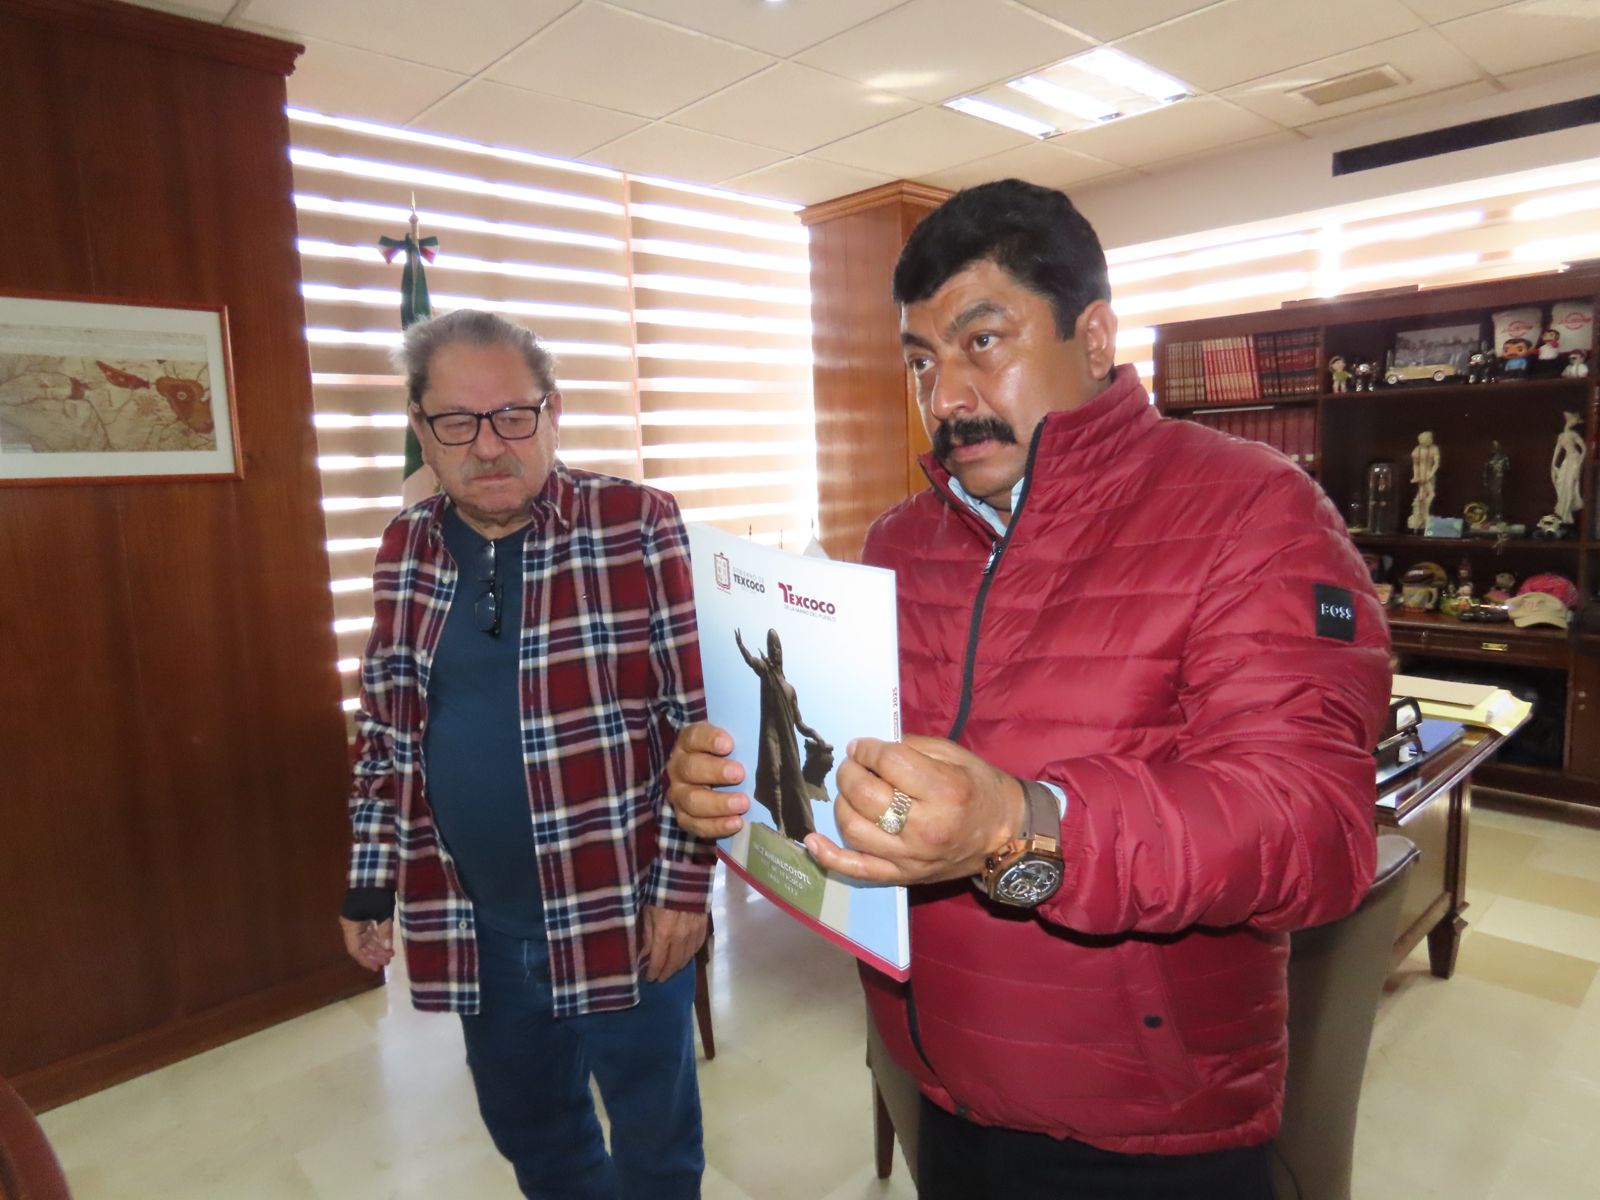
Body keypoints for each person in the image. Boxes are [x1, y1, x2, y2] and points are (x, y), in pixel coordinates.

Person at [667, 179, 1391, 1198]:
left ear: (1092, 338)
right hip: (942, 1078)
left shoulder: (1255, 510)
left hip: (1146, 1126)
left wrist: (1023, 825)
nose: (946, 399)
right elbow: (875, 776)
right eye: (922, 361)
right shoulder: (900, 542)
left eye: (982, 342)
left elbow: (1314, 828)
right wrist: (746, 774)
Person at [338, 309, 712, 1200]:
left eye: (512, 414)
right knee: (535, 1136)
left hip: (623, 913)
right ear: (421, 427)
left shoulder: (635, 522)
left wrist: (683, 890)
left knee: (656, 1145)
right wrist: (367, 882)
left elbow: (695, 725)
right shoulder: (405, 545)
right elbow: (385, 727)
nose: (488, 445)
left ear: (553, 411)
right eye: (456, 421)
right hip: (476, 928)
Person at [735, 627, 831, 839]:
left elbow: (799, 723)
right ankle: (780, 825)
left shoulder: (789, 689)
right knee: (773, 773)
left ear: (782, 651)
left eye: (777, 646)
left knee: (789, 781)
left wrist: (815, 734)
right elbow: (751, 661)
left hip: (788, 743)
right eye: (771, 646)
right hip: (770, 735)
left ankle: (790, 827)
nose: (774, 650)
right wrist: (741, 646)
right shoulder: (766, 672)